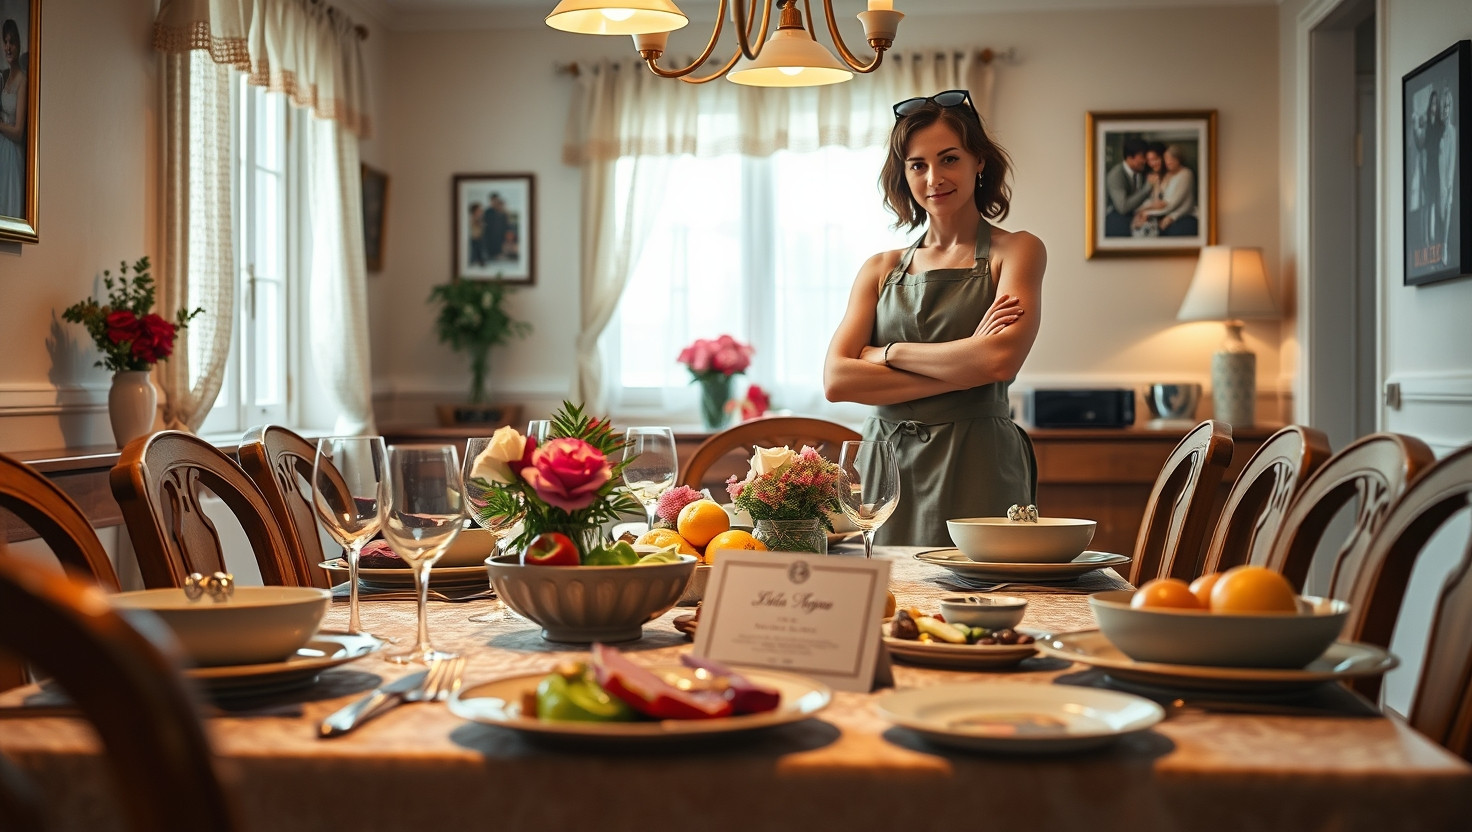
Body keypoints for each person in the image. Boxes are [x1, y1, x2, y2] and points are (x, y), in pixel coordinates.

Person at [824, 89, 1044, 547]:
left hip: (978, 459)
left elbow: (998, 362)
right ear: (903, 175)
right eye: (917, 165)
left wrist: (887, 353)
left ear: (978, 161)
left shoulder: (1018, 250)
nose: (933, 178)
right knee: (889, 601)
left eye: (949, 159)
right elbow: (838, 380)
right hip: (888, 463)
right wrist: (964, 369)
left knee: (984, 599)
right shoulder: (879, 268)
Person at [1135, 144, 1197, 237]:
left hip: (1179, 217)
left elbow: (1170, 204)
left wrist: (1146, 211)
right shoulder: (1155, 176)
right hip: (1160, 214)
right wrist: (1143, 210)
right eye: (1149, 160)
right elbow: (1155, 200)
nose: (1152, 163)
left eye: (1155, 159)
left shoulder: (1185, 174)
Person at [0, 18, 27, 219]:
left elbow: (18, 132)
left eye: (12, 42)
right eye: (5, 42)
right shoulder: (5, 76)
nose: (8, 47)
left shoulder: (22, 80)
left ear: (18, 45)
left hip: (13, 155)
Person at [1104, 136, 1151, 237]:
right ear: (1130, 158)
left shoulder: (1143, 171)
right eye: (1142, 157)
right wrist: (1147, 189)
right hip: (1118, 222)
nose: (1145, 161)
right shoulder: (1116, 175)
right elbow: (1123, 207)